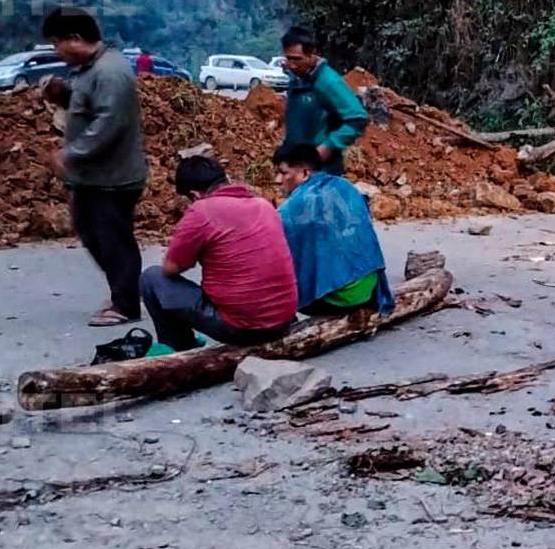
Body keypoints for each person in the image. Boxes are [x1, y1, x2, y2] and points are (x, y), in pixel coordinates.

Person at [42, 6, 149, 327]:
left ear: (75, 38)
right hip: (95, 176)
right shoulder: (92, 69)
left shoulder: (109, 71)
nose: (57, 51)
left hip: (113, 177)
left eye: (57, 43)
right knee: (92, 233)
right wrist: (64, 95)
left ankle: (127, 304)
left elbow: (109, 123)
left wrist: (69, 154)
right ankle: (122, 292)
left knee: (113, 239)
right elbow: (91, 105)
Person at [139, 156, 298, 352]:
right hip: (283, 320)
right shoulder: (263, 205)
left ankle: (179, 349)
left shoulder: (201, 211)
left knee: (151, 278)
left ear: (195, 195)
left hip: (243, 328)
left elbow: (171, 268)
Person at [273, 144, 394, 317]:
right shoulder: (346, 186)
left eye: (283, 173)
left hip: (337, 300)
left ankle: (282, 322)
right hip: (369, 291)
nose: (278, 179)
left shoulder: (294, 206)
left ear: (305, 173)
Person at [280, 26, 369, 175]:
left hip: (321, 169)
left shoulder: (328, 82)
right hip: (297, 166)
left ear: (311, 55)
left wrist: (329, 146)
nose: (292, 65)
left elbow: (358, 117)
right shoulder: (298, 79)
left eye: (297, 59)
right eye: (289, 58)